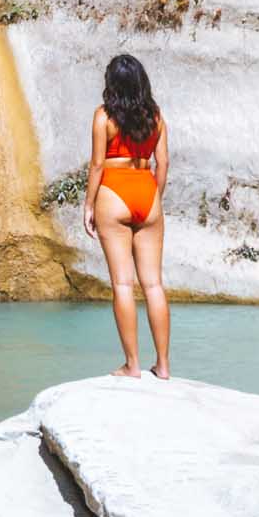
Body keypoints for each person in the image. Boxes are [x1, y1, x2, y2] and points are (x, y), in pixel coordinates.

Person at [84, 52, 170, 379]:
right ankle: (163, 365)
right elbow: (163, 163)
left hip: (113, 193)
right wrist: (155, 197)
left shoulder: (103, 117)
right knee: (154, 285)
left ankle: (132, 365)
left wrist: (89, 205)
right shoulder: (156, 117)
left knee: (122, 284)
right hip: (147, 191)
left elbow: (96, 165)